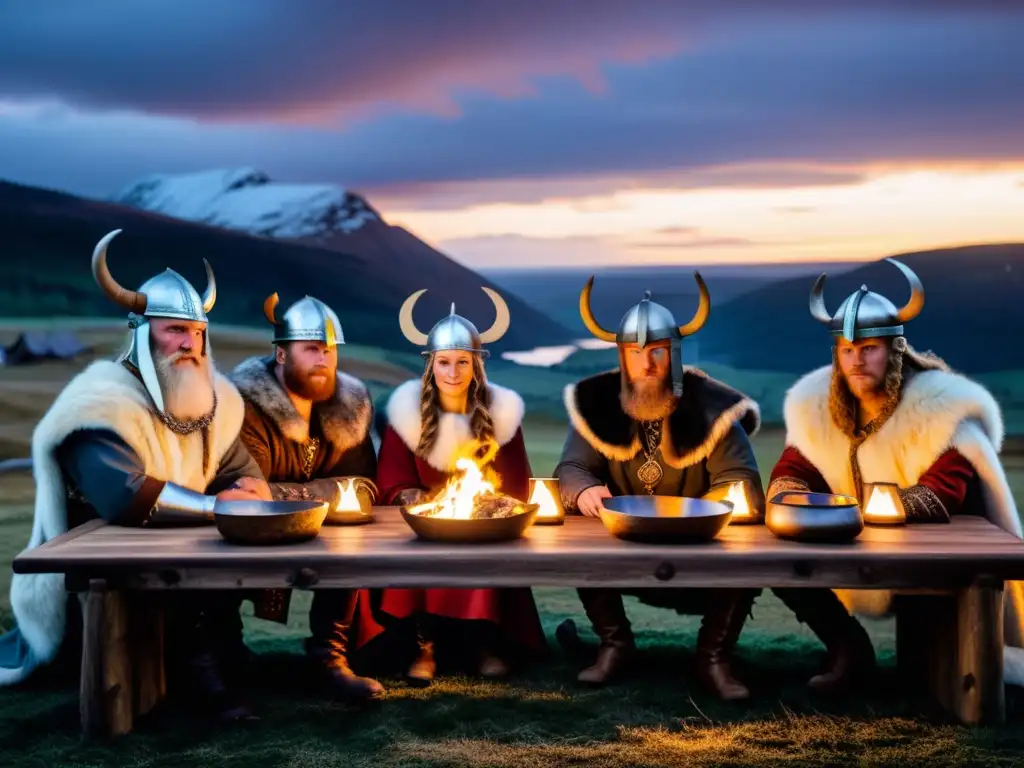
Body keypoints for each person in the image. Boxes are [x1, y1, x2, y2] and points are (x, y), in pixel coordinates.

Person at [0, 229, 274, 722]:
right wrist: (219, 507)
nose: (190, 344)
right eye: (174, 330)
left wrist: (238, 495)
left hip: (177, 546)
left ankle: (217, 659)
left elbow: (244, 474)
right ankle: (196, 677)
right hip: (103, 561)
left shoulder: (214, 400)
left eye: (197, 332)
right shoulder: (99, 402)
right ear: (141, 332)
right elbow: (124, 498)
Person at [768, 257, 1024, 688]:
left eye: (868, 349)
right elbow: (794, 468)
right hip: (858, 541)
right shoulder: (817, 407)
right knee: (784, 563)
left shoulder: (941, 409)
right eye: (847, 351)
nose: (857, 361)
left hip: (932, 552)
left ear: (894, 350)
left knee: (936, 659)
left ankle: (955, 675)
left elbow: (943, 492)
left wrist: (850, 509)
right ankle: (848, 648)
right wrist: (791, 497)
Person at [554, 275, 764, 701]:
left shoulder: (714, 410)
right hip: (621, 542)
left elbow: (741, 484)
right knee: (577, 541)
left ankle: (713, 658)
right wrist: (584, 491)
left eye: (657, 352)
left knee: (748, 553)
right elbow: (572, 467)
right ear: (622, 357)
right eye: (635, 353)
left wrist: (701, 514)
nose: (646, 364)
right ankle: (615, 645)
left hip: (700, 544)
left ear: (675, 354)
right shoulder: (599, 406)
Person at [366, 287, 546, 685]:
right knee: (426, 553)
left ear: (476, 365)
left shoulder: (501, 414)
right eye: (444, 362)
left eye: (462, 362)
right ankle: (424, 647)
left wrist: (485, 507)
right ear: (430, 365)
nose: (452, 373)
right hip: (425, 524)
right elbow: (392, 478)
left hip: (483, 525)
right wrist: (414, 498)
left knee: (480, 555)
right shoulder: (406, 414)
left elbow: (515, 482)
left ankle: (483, 642)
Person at [230, 292, 384, 702]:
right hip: (248, 532)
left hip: (325, 533)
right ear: (281, 355)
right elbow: (245, 493)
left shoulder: (351, 405)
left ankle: (328, 659)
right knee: (216, 571)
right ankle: (226, 662)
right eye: (311, 349)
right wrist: (329, 495)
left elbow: (364, 488)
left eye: (329, 350)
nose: (323, 359)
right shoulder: (242, 405)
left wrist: (286, 494)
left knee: (350, 547)